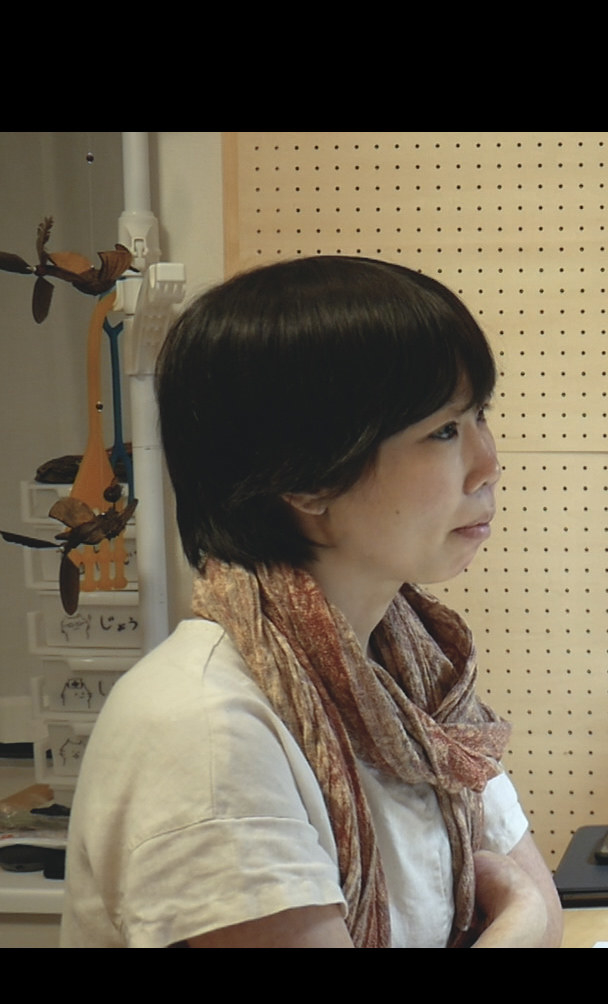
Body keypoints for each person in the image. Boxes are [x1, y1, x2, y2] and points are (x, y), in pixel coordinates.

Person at [62, 256, 563, 947]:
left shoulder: (415, 676)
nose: (489, 463)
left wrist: (531, 916)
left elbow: (545, 910)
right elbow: (533, 912)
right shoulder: (204, 730)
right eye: (444, 431)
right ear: (305, 479)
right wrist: (521, 921)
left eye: (481, 416)